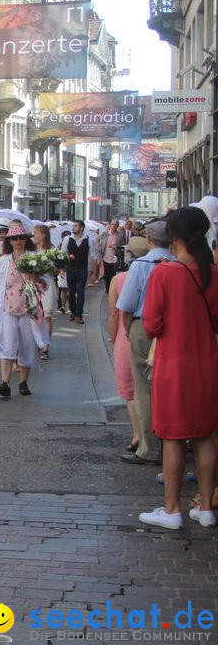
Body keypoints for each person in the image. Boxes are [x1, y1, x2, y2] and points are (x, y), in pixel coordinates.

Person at [138, 206, 218, 530]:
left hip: (174, 364)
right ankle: (206, 508)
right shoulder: (213, 273)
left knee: (172, 437)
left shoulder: (164, 273)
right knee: (203, 437)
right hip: (207, 362)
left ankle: (172, 509)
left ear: (174, 237)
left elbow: (151, 325)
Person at [115, 219, 171, 467]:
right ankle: (175, 442)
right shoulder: (177, 261)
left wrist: (127, 329)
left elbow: (126, 305)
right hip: (174, 328)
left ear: (149, 239)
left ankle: (149, 448)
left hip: (144, 325)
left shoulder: (142, 264)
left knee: (143, 387)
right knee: (169, 386)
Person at [0, 225, 46, 398]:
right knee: (7, 344)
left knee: (27, 345)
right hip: (7, 308)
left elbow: (45, 282)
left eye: (21, 238)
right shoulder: (4, 260)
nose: (18, 241)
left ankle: (23, 381)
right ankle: (5, 382)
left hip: (28, 308)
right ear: (9, 241)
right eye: (14, 238)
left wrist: (35, 277)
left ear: (26, 239)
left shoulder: (35, 258)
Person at [108, 243, 143, 457]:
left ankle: (138, 433)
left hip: (126, 335)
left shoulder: (119, 279)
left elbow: (113, 314)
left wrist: (113, 338)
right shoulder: (165, 269)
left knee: (130, 389)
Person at [32, 224, 57, 359]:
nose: (33, 236)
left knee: (47, 315)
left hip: (47, 284)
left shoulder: (51, 250)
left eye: (35, 233)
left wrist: (54, 267)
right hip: (34, 285)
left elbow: (56, 269)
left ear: (44, 235)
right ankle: (36, 342)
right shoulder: (31, 250)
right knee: (35, 315)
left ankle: (46, 347)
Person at [64, 220, 89, 323]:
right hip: (71, 267)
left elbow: (92, 255)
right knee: (71, 290)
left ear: (82, 228)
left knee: (81, 291)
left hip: (82, 268)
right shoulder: (67, 239)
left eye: (76, 226)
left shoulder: (88, 239)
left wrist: (92, 270)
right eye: (73, 226)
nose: (73, 227)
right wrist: (62, 267)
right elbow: (62, 254)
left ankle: (79, 314)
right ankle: (73, 311)